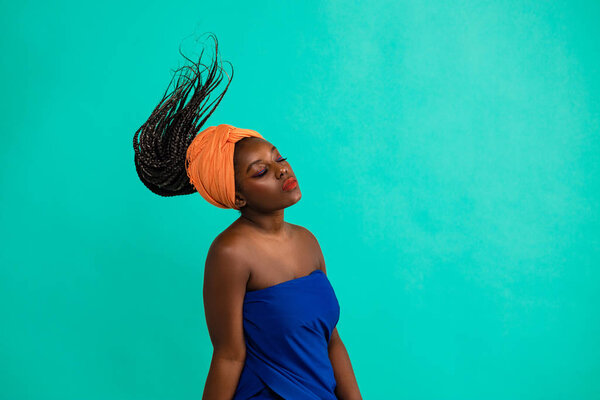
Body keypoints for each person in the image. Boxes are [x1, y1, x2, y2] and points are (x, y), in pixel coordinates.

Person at [133, 33, 362, 400]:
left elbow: (331, 340)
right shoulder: (231, 252)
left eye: (278, 157)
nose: (282, 171)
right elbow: (228, 355)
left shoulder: (308, 241)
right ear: (236, 196)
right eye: (261, 171)